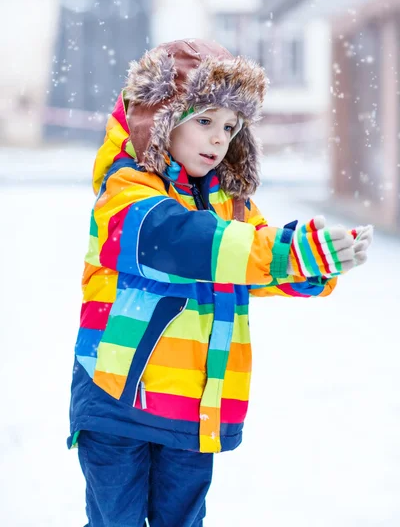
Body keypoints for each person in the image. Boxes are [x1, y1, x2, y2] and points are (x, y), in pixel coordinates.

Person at [68, 38, 373, 527]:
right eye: (204, 120)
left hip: (195, 410)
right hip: (119, 401)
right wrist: (280, 252)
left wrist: (314, 258)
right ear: (160, 118)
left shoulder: (231, 207)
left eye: (230, 127)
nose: (218, 139)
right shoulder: (125, 193)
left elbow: (259, 262)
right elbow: (182, 241)